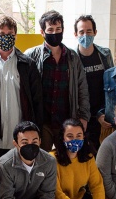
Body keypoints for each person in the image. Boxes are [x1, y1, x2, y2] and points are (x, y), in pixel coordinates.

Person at [0, 15, 43, 158]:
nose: (6, 38)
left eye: (10, 34)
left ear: (15, 35)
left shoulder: (28, 64)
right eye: (1, 34)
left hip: (21, 138)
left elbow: (37, 101)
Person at [25, 10, 90, 152]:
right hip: (42, 122)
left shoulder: (73, 57)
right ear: (42, 32)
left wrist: (84, 116)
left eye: (58, 29)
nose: (55, 33)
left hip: (66, 120)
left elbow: (82, 88)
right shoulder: (30, 56)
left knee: (66, 160)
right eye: (50, 30)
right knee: (42, 159)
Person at [49, 118, 105, 199]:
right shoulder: (52, 159)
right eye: (70, 136)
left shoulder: (88, 158)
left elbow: (97, 185)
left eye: (79, 136)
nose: (75, 139)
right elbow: (57, 195)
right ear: (62, 138)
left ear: (84, 137)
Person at [74, 15, 114, 150]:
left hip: (102, 116)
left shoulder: (105, 54)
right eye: (81, 32)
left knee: (102, 155)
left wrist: (103, 114)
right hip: (80, 117)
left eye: (89, 31)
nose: (85, 35)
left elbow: (112, 86)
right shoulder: (71, 58)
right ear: (75, 34)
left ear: (95, 33)